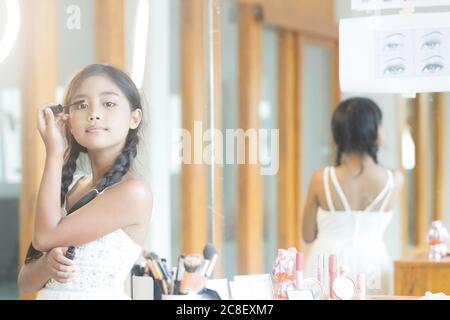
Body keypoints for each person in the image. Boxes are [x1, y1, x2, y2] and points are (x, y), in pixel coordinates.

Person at [17, 64, 153, 299]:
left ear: (134, 118)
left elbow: (45, 237)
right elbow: (26, 282)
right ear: (68, 120)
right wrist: (48, 264)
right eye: (81, 104)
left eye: (108, 103)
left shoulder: (133, 192)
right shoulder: (73, 186)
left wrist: (54, 153)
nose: (94, 113)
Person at [302, 97, 404, 296]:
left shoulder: (320, 179)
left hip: (326, 266)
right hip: (373, 267)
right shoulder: (394, 180)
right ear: (375, 131)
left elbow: (307, 235)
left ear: (337, 135)